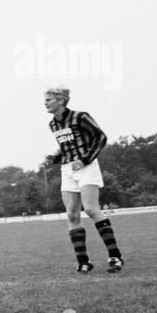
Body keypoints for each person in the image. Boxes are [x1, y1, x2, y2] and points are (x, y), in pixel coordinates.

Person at [43, 86, 124, 273]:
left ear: (61, 100)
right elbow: (65, 148)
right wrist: (54, 158)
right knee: (71, 214)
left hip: (87, 167)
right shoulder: (52, 124)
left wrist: (85, 159)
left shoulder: (80, 117)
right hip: (67, 169)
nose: (45, 102)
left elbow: (101, 137)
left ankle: (115, 257)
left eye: (49, 99)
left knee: (91, 209)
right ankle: (83, 261)